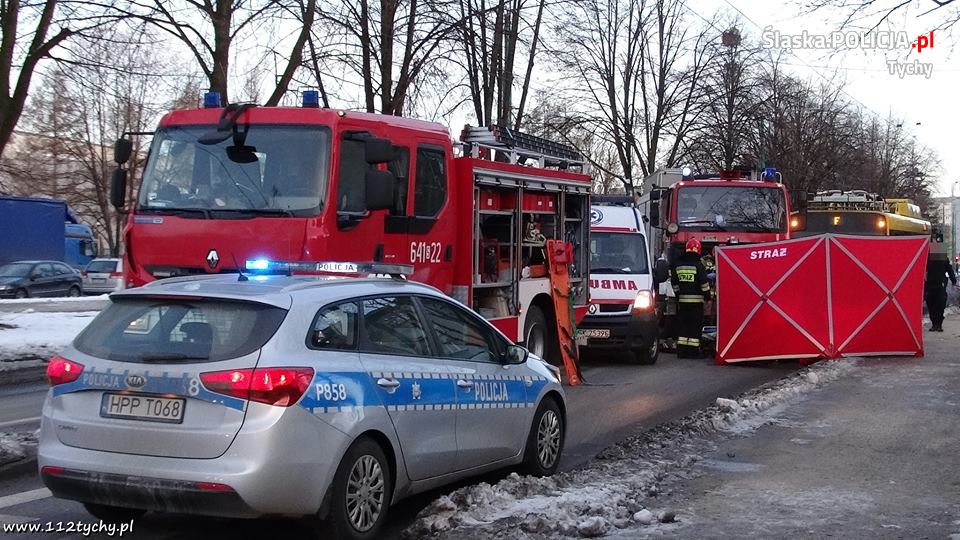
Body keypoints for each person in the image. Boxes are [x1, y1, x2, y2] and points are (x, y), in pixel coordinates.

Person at [671, 238, 711, 358]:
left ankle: (682, 351)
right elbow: (704, 283)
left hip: (682, 302)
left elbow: (674, 283)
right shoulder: (699, 265)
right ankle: (693, 352)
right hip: (696, 303)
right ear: (698, 250)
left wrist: (679, 295)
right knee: (694, 326)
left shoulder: (678, 265)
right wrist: (707, 296)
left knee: (683, 325)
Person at [925, 251, 958, 332]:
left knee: (939, 304)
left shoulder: (940, 257)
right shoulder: (927, 257)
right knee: (932, 304)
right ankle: (935, 324)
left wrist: (953, 281)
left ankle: (938, 324)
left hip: (939, 284)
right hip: (931, 284)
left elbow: (949, 269)